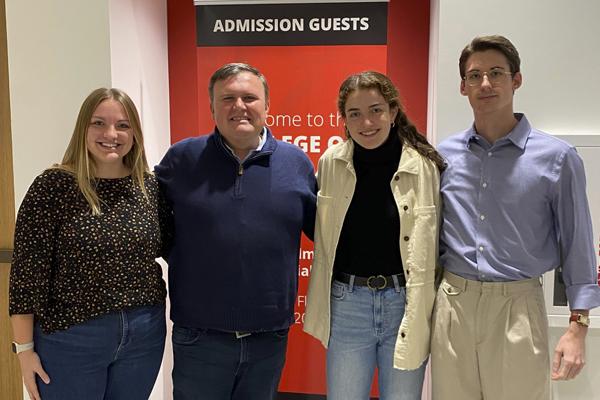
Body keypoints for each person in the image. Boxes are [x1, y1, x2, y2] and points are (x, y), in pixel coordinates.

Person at [431, 35, 600, 400]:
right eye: (475, 76)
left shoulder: (557, 158)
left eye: (496, 73)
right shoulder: (443, 156)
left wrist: (578, 326)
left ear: (516, 79)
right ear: (463, 86)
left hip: (517, 306)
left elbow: (578, 244)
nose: (485, 84)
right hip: (452, 305)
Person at [155, 62, 317, 400]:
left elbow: (325, 235)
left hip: (267, 338)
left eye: (249, 97)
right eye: (227, 98)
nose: (239, 106)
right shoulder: (181, 160)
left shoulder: (296, 163)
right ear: (212, 106)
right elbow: (151, 228)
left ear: (267, 106)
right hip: (200, 336)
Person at [9, 88, 171, 400]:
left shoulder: (149, 187)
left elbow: (174, 248)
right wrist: (24, 350)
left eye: (123, 125)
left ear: (134, 133)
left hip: (143, 334)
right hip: (71, 337)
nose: (111, 134)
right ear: (83, 128)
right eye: (99, 123)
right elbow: (27, 277)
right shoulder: (52, 187)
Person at [303, 71, 444, 400]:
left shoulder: (425, 167)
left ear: (393, 112)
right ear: (344, 119)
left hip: (405, 304)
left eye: (376, 109)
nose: (367, 122)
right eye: (355, 113)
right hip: (347, 304)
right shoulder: (329, 164)